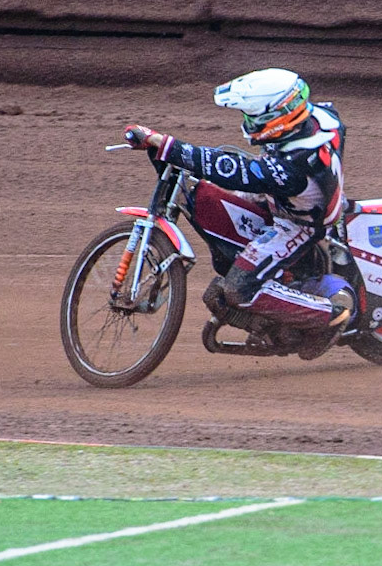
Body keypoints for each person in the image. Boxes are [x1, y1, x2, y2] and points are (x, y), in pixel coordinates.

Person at [124, 67, 354, 361]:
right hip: (284, 196)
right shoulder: (321, 117)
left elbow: (237, 172)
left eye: (256, 118)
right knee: (209, 197)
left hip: (300, 224)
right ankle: (279, 315)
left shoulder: (296, 164)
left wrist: (167, 145)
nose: (249, 123)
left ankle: (331, 313)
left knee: (235, 289)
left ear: (281, 115)